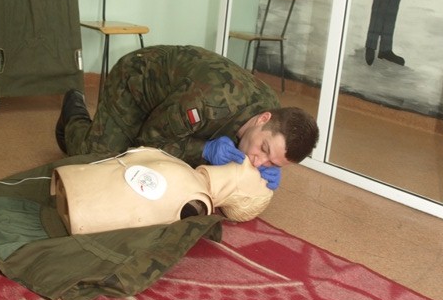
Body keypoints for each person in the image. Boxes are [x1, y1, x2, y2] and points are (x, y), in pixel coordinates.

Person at [55, 45, 319, 190]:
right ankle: (74, 112)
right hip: (136, 83)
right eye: (264, 150)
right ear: (263, 119)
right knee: (99, 165)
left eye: (273, 164)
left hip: (176, 108)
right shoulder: (208, 102)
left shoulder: (272, 115)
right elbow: (150, 141)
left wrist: (262, 178)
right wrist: (204, 150)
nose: (258, 162)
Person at [52, 147, 274, 235]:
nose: (261, 165)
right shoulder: (188, 174)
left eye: (261, 179)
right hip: (69, 184)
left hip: (76, 204)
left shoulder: (195, 199)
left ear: (244, 197)